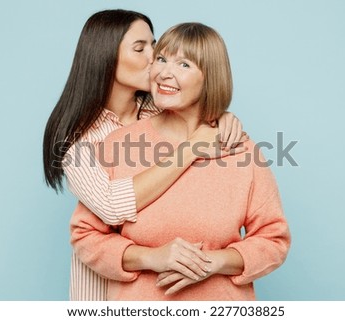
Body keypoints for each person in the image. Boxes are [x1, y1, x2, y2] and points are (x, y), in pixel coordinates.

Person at [70, 22, 291, 300]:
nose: (164, 72)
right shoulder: (116, 144)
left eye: (184, 65)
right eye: (161, 59)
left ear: (210, 77)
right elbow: (87, 237)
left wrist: (214, 262)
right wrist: (150, 257)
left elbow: (273, 239)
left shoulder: (240, 148)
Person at [43, 10, 247, 300]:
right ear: (105, 56)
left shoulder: (164, 109)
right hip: (104, 295)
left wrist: (222, 116)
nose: (155, 58)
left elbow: (201, 111)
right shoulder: (78, 139)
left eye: (154, 46)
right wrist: (190, 148)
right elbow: (112, 207)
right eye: (141, 48)